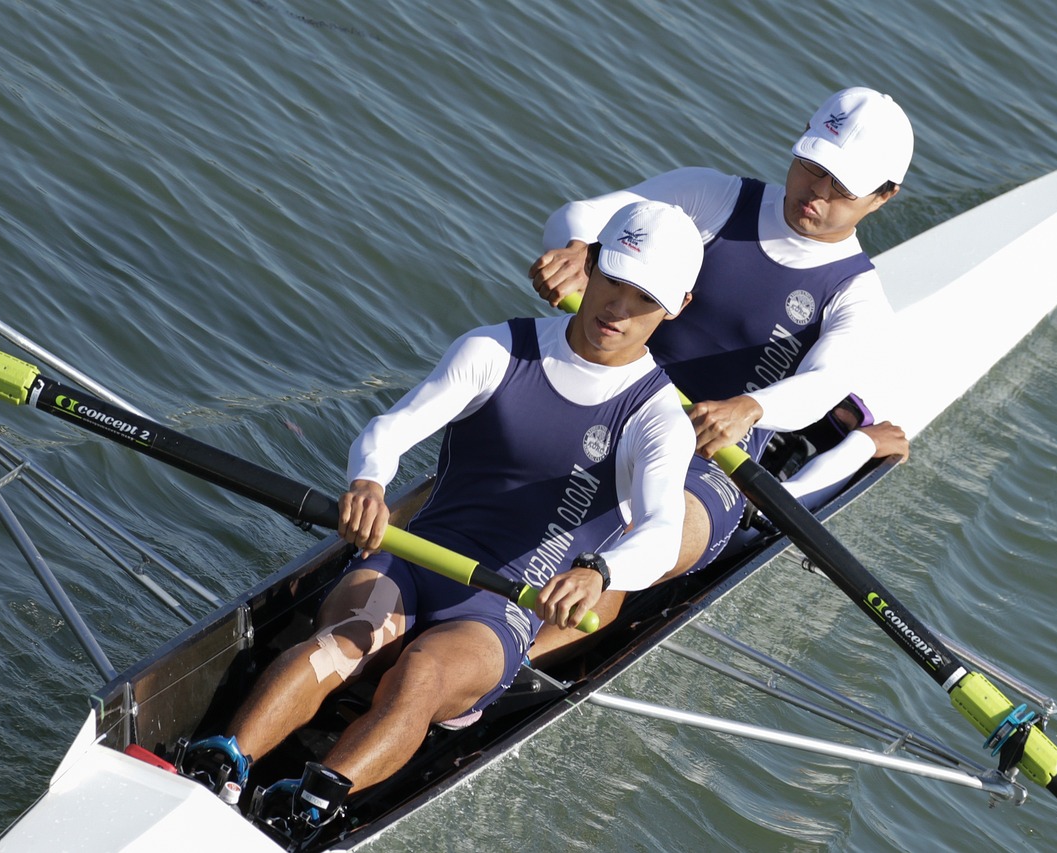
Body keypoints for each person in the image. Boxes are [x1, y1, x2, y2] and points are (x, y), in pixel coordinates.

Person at [181, 200, 704, 849]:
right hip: (409, 562)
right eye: (613, 279)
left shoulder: (655, 419)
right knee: (351, 633)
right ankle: (222, 762)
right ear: (590, 263)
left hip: (501, 614)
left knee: (419, 675)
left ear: (677, 304)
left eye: (643, 297)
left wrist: (602, 571)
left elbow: (659, 529)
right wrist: (368, 482)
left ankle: (310, 806)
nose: (617, 310)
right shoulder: (497, 348)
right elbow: (392, 429)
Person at [526, 88, 913, 660]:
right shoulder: (710, 197)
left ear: (882, 197)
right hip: (614, 398)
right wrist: (584, 251)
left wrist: (751, 408)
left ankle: (510, 665)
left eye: (842, 185)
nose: (817, 190)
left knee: (622, 554)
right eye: (811, 166)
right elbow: (581, 216)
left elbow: (823, 385)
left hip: (715, 459)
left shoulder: (858, 296)